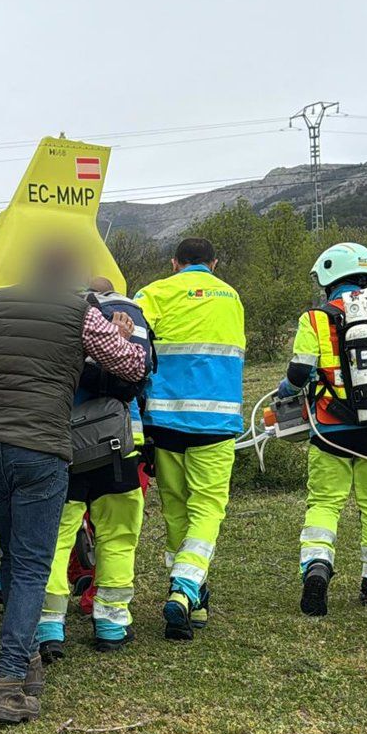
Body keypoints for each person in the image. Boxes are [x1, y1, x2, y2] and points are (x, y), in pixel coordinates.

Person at [0, 247, 145, 726]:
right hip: (41, 450)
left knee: (14, 556)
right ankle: (7, 686)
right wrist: (126, 339)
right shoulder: (80, 312)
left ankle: (28, 664)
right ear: (69, 278)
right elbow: (131, 367)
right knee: (30, 567)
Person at [277, 243, 367, 615]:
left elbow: (299, 374)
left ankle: (317, 567)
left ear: (329, 279)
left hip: (330, 431)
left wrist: (285, 391)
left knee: (324, 504)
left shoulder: (314, 320)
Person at [134, 237, 245, 642]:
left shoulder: (155, 292)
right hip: (215, 426)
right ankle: (184, 589)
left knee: (176, 509)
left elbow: (128, 341)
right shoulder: (231, 297)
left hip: (164, 422)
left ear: (174, 263)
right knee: (208, 509)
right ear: (214, 263)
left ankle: (194, 601)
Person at [36, 276, 153, 660]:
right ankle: (112, 623)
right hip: (115, 448)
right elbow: (139, 375)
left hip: (62, 447)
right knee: (118, 536)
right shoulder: (125, 318)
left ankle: (49, 626)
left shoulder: (52, 322)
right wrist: (115, 344)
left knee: (55, 539)